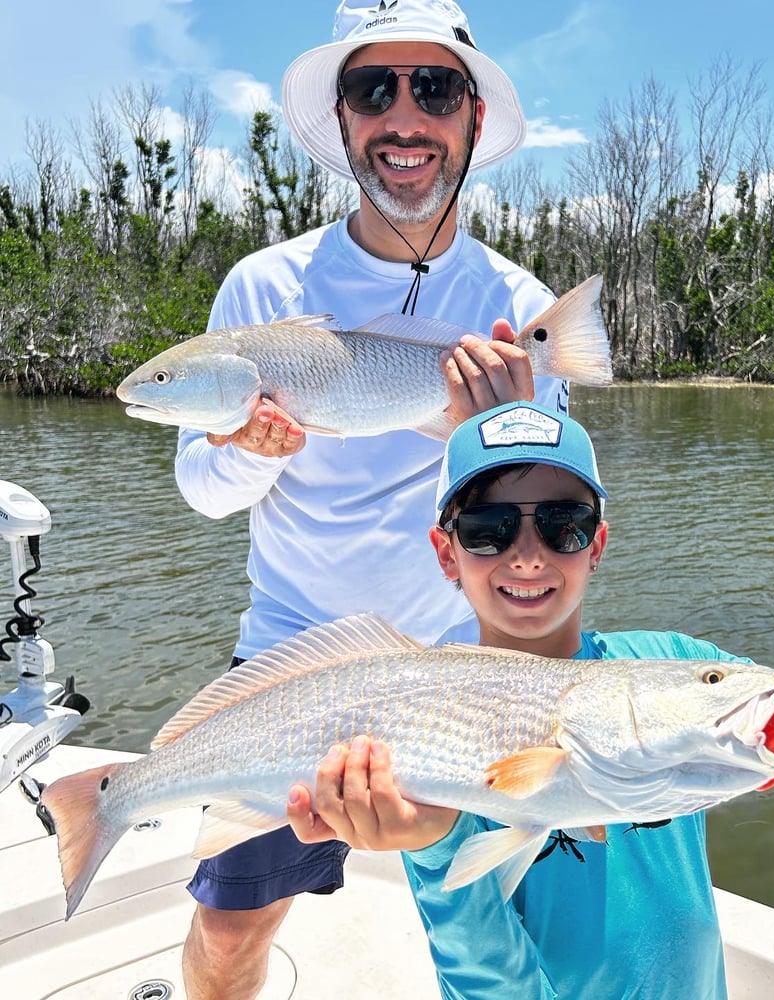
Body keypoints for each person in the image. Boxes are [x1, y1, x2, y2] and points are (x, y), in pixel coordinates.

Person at [286, 400, 774, 999]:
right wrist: (431, 848)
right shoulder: (420, 709)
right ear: (445, 552)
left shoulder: (681, 668)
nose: (528, 556)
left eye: (564, 524)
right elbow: (491, 987)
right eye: (489, 527)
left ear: (598, 545)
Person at [173, 2, 568, 997]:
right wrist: (251, 449)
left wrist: (503, 436)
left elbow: (540, 528)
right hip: (292, 654)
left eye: (432, 88)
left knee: (496, 937)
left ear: (472, 117)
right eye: (372, 88)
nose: (403, 116)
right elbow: (203, 492)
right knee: (226, 929)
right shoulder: (264, 290)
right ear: (344, 119)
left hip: (463, 671)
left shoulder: (520, 309)